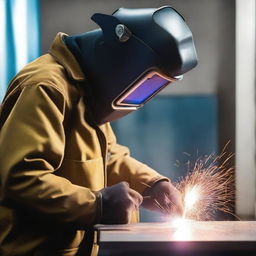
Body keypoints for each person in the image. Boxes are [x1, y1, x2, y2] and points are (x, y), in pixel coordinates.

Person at [0, 6, 197, 256]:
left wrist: (152, 185)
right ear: (120, 57)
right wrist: (98, 206)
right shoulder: (45, 87)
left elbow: (108, 156)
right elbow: (22, 178)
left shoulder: (87, 89)